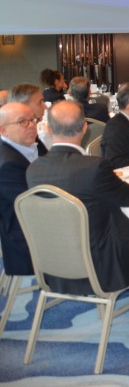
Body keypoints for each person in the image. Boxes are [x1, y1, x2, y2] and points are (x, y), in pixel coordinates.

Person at [27, 101, 129, 299]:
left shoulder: (33, 170)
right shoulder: (93, 167)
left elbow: (101, 194)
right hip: (103, 265)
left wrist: (127, 185)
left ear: (47, 129)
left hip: (54, 264)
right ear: (84, 128)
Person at [0, 101, 48, 280]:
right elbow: (35, 207)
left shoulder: (31, 143)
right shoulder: (7, 164)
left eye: (33, 119)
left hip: (39, 219)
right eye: (22, 122)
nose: (32, 125)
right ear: (3, 130)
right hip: (27, 237)